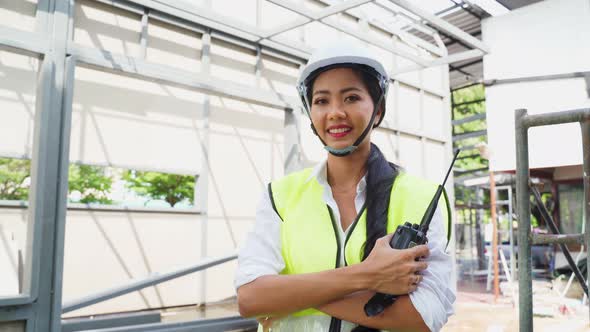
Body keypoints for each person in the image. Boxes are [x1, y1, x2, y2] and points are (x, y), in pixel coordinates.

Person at [235, 42, 455, 332]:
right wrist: (368, 275)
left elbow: (424, 316)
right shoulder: (280, 195)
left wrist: (292, 294)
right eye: (321, 101)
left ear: (377, 111)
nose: (335, 112)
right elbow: (250, 298)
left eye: (351, 98)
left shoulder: (423, 197)